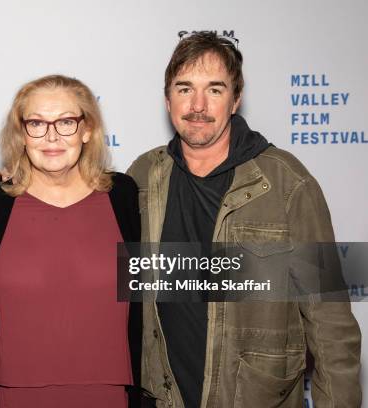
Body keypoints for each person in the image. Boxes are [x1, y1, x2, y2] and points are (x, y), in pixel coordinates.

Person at [127, 32, 361, 407]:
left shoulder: (287, 184)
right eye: (185, 88)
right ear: (167, 97)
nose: (197, 105)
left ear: (236, 99)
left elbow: (330, 323)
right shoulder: (142, 177)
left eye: (215, 90)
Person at [0, 74, 142, 408]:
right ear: (21, 133)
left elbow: (153, 296)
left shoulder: (124, 197)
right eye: (36, 123)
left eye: (66, 122)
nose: (51, 136)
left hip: (110, 393)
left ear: (87, 129)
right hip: (12, 394)